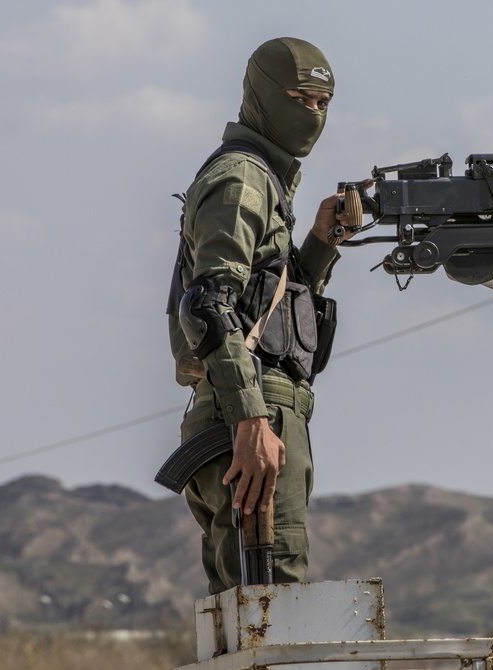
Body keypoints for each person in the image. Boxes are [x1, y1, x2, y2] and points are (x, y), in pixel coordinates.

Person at [167, 37, 346, 594]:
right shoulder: (244, 177)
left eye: (323, 103)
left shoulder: (264, 180)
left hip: (246, 409)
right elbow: (210, 304)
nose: (312, 115)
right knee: (274, 612)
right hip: (250, 412)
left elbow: (266, 308)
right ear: (264, 96)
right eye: (299, 98)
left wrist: (321, 241)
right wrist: (252, 421)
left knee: (249, 616)